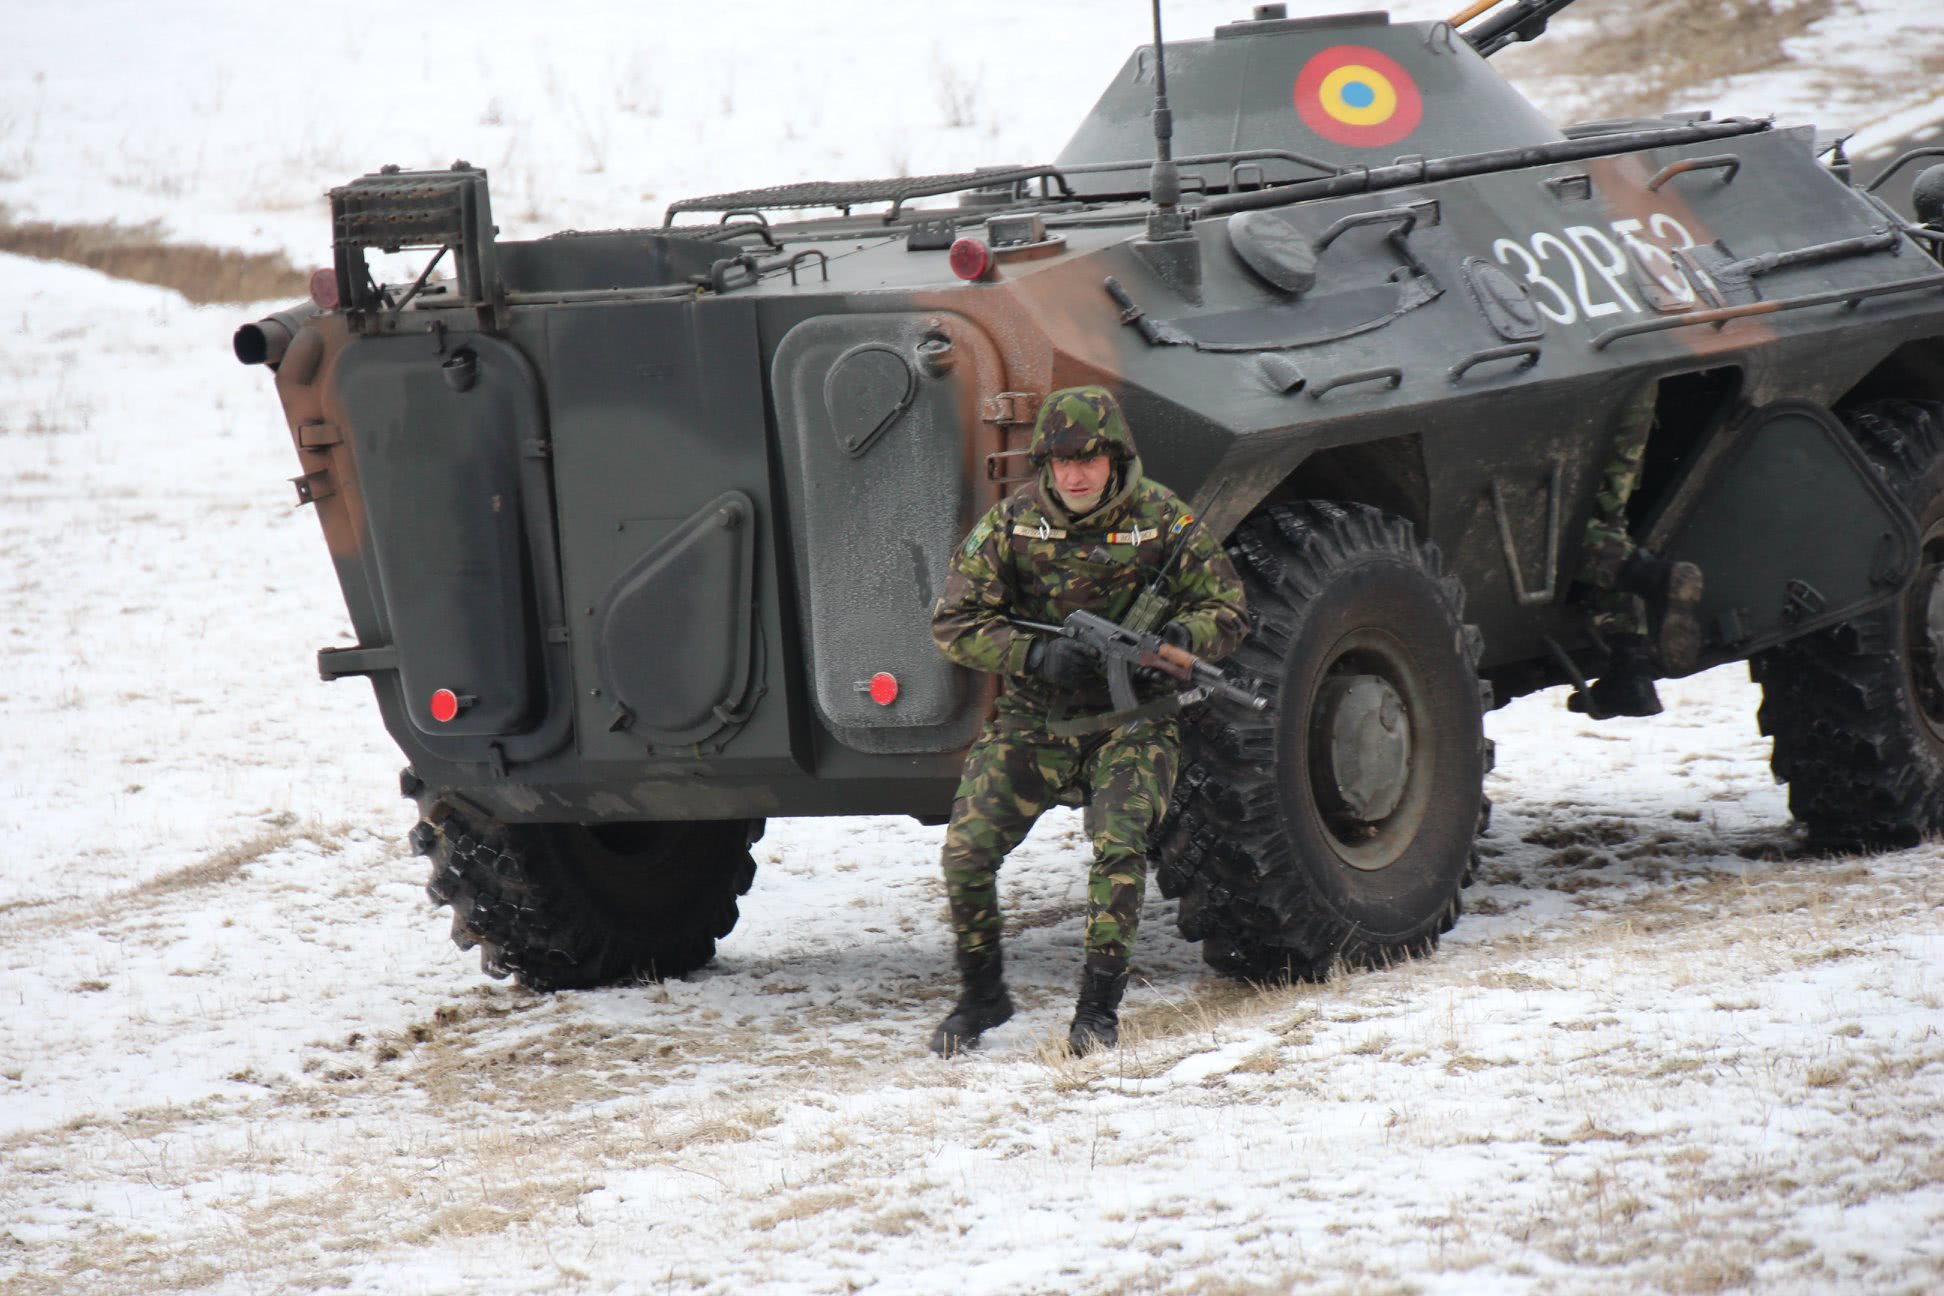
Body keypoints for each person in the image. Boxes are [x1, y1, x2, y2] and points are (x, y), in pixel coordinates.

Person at [927, 386, 1248, 1057]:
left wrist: (1177, 644)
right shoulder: (1013, 523)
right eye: (1062, 461)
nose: (1075, 475)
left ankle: (1098, 1009)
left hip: (1134, 720)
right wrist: (1034, 653)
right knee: (966, 853)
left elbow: (1227, 609)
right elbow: (954, 624)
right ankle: (982, 993)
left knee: (1119, 847)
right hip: (1033, 718)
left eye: (1090, 460)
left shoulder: (1161, 517)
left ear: (1115, 458)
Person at [1568, 387, 1705, 718]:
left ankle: (1655, 577)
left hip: (1590, 390)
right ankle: (1631, 671)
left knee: (1559, 530)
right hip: (1629, 385)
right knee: (1608, 519)